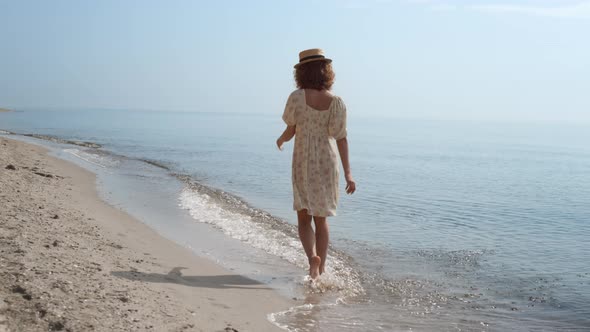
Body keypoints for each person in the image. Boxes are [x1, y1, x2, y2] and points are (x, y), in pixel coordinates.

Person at [276, 48, 356, 280]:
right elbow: (340, 137)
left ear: (301, 73)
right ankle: (320, 271)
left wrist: (281, 139)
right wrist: (349, 174)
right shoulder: (336, 102)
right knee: (321, 220)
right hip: (326, 163)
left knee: (303, 218)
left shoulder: (296, 98)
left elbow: (291, 129)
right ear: (325, 72)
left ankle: (311, 257)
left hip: (302, 161)